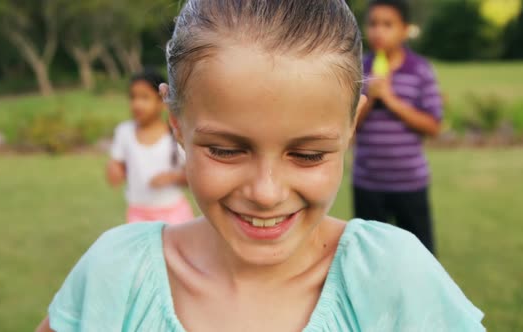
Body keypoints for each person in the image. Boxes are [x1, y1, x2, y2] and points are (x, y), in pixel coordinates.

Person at [36, 1, 483, 331]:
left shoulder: (396, 276)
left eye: (308, 155)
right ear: (176, 124)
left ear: (351, 128)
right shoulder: (113, 276)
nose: (266, 192)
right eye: (226, 150)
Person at [354, 0, 443, 254]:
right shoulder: (358, 68)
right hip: (368, 183)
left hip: (409, 183)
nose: (378, 31)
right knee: (370, 258)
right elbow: (347, 127)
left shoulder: (420, 70)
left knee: (419, 256)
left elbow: (433, 126)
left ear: (404, 30)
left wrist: (391, 99)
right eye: (373, 24)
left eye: (388, 24)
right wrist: (370, 98)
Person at [106, 69, 194, 224]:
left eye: (145, 97)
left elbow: (192, 176)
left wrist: (172, 177)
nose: (137, 104)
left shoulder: (175, 134)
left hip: (173, 214)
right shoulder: (124, 131)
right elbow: (116, 168)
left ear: (162, 102)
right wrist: (115, 170)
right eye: (133, 97)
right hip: (138, 214)